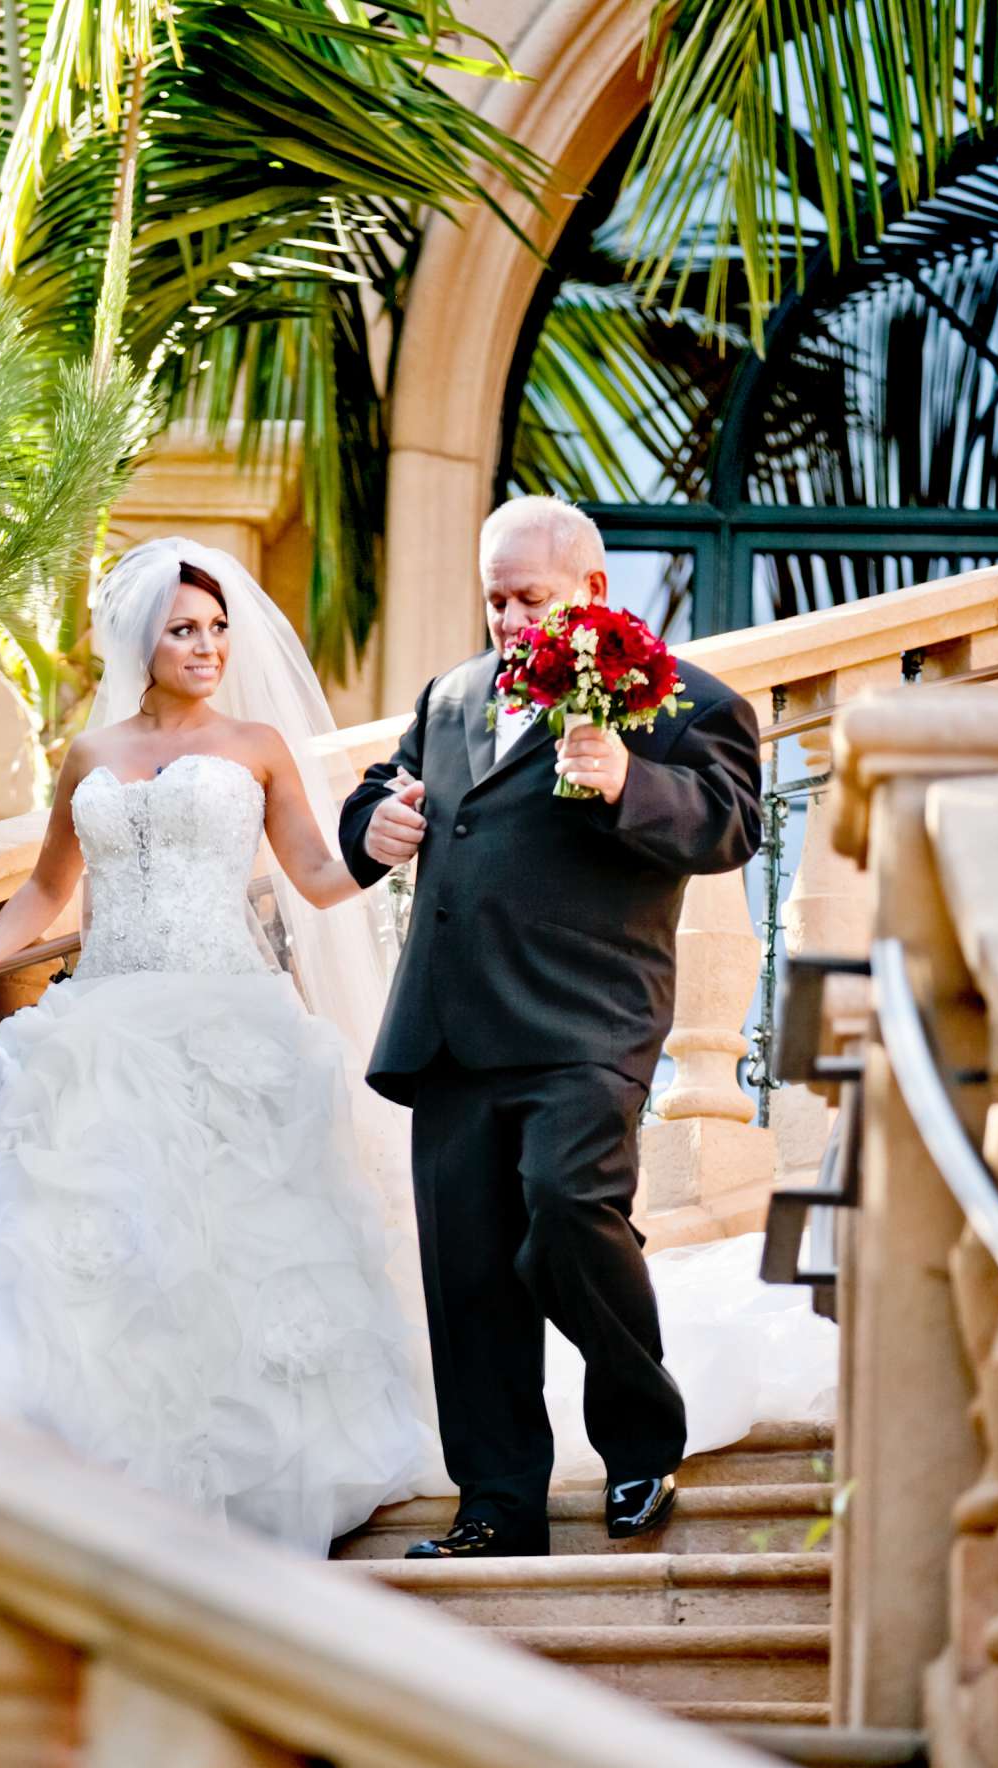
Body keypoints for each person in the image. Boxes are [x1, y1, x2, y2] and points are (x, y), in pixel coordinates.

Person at [0, 538, 433, 1556]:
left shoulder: (259, 745)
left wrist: (382, 847)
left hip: (226, 1021)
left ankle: (240, 1476)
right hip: (103, 1020)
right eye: (184, 629)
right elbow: (49, 892)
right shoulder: (88, 758)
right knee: (95, 1244)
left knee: (227, 1248)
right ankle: (81, 1466)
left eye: (217, 629)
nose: (207, 646)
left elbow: (315, 877)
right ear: (140, 641)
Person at [339, 495, 770, 1558]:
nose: (506, 616)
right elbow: (376, 792)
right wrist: (376, 820)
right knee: (469, 1276)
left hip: (587, 1023)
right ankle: (496, 1506)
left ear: (589, 591)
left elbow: (733, 823)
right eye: (492, 597)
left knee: (570, 1208)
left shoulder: (681, 699)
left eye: (528, 596)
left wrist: (631, 779)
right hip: (449, 1026)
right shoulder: (449, 697)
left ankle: (638, 1444)